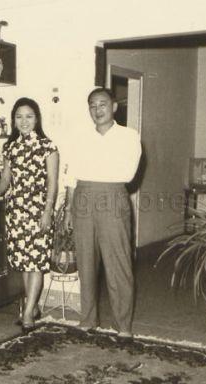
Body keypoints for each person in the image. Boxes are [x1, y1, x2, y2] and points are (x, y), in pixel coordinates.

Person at [64, 88, 141, 338]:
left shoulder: (129, 136)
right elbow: (72, 176)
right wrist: (68, 209)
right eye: (92, 106)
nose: (97, 110)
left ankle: (123, 326)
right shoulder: (79, 137)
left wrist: (97, 167)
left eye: (102, 104)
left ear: (114, 107)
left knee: (118, 262)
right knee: (85, 261)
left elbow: (127, 173)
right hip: (83, 197)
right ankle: (88, 319)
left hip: (113, 197)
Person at [0, 97, 59, 332]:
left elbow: (53, 183)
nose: (24, 121)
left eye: (29, 116)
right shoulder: (10, 148)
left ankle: (27, 314)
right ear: (13, 121)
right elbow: (6, 180)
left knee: (35, 262)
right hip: (15, 211)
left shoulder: (48, 147)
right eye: (19, 117)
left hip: (37, 211)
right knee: (24, 263)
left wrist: (47, 212)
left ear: (37, 119)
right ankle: (32, 306)